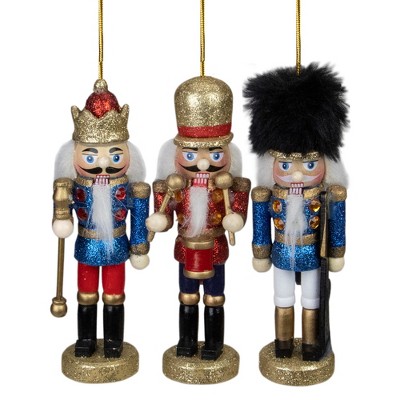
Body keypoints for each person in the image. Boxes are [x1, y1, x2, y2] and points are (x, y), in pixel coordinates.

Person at [243, 63, 348, 361]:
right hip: (281, 254)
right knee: (282, 297)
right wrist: (261, 252)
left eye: (310, 164)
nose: (298, 174)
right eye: (287, 165)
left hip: (313, 254)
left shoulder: (327, 195)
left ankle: (313, 343)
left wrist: (337, 252)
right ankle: (283, 343)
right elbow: (261, 224)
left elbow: (336, 224)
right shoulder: (267, 194)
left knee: (313, 300)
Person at [146, 76, 250, 361]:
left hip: (215, 247)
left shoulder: (229, 187)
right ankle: (186, 340)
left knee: (215, 297)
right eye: (191, 154)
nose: (203, 162)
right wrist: (160, 221)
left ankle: (215, 343)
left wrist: (235, 220)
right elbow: (165, 215)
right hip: (186, 247)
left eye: (215, 154)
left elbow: (238, 213)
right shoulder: (175, 186)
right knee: (187, 296)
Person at [52, 79, 150, 358]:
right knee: (85, 294)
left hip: (117, 246)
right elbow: (62, 211)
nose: (104, 164)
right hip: (86, 245)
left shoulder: (129, 188)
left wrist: (139, 246)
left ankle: (113, 341)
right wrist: (61, 215)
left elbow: (139, 215)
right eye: (91, 157)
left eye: (115, 156)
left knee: (114, 295)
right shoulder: (73, 186)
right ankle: (85, 339)